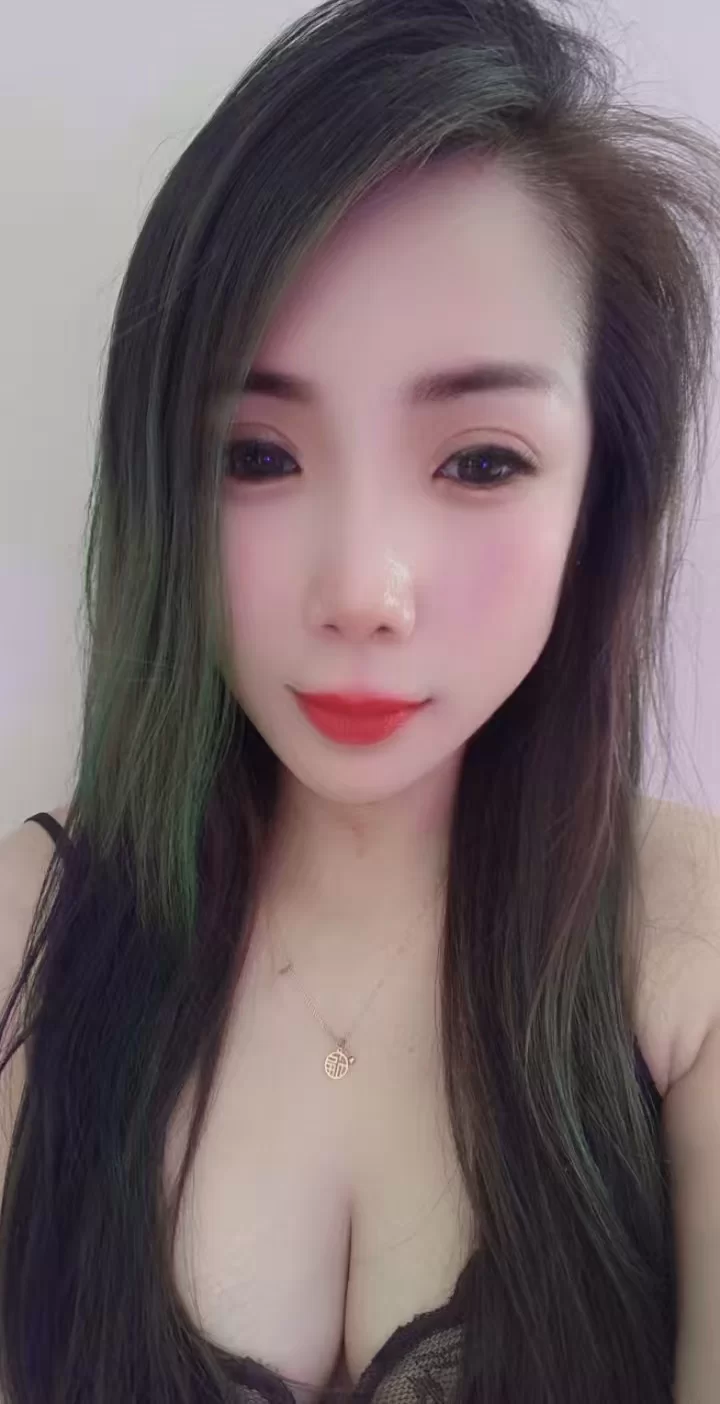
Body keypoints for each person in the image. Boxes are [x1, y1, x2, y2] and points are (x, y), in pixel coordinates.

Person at [1, 0, 720, 1400]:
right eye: (257, 455)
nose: (362, 590)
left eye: (481, 461)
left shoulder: (686, 946)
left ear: (601, 493)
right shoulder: (29, 938)